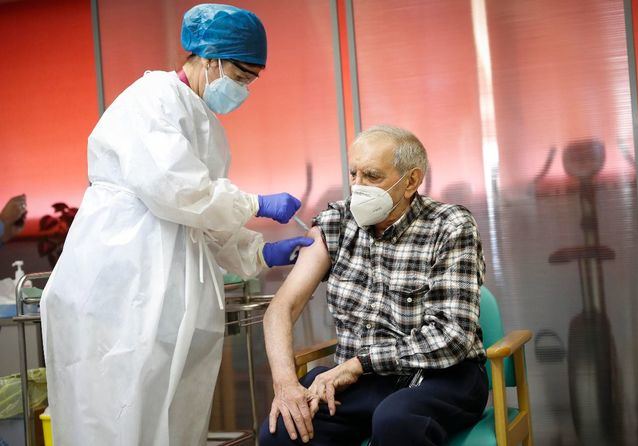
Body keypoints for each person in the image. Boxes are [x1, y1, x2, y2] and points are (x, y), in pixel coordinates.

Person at [41, 4, 313, 445]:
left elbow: (199, 217)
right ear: (209, 58)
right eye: (239, 77)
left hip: (168, 293)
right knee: (119, 417)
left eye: (249, 82)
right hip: (122, 284)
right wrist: (255, 202)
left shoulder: (203, 119)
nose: (242, 90)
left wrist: (258, 251)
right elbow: (177, 192)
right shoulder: (152, 101)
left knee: (173, 419)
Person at [260, 125, 489, 445]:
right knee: (284, 430)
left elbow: (451, 337)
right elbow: (281, 309)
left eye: (372, 176)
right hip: (362, 381)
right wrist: (287, 386)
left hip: (442, 376)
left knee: (396, 422)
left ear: (411, 181)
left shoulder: (450, 226)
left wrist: (359, 364)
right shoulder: (336, 223)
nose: (358, 187)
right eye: (353, 174)